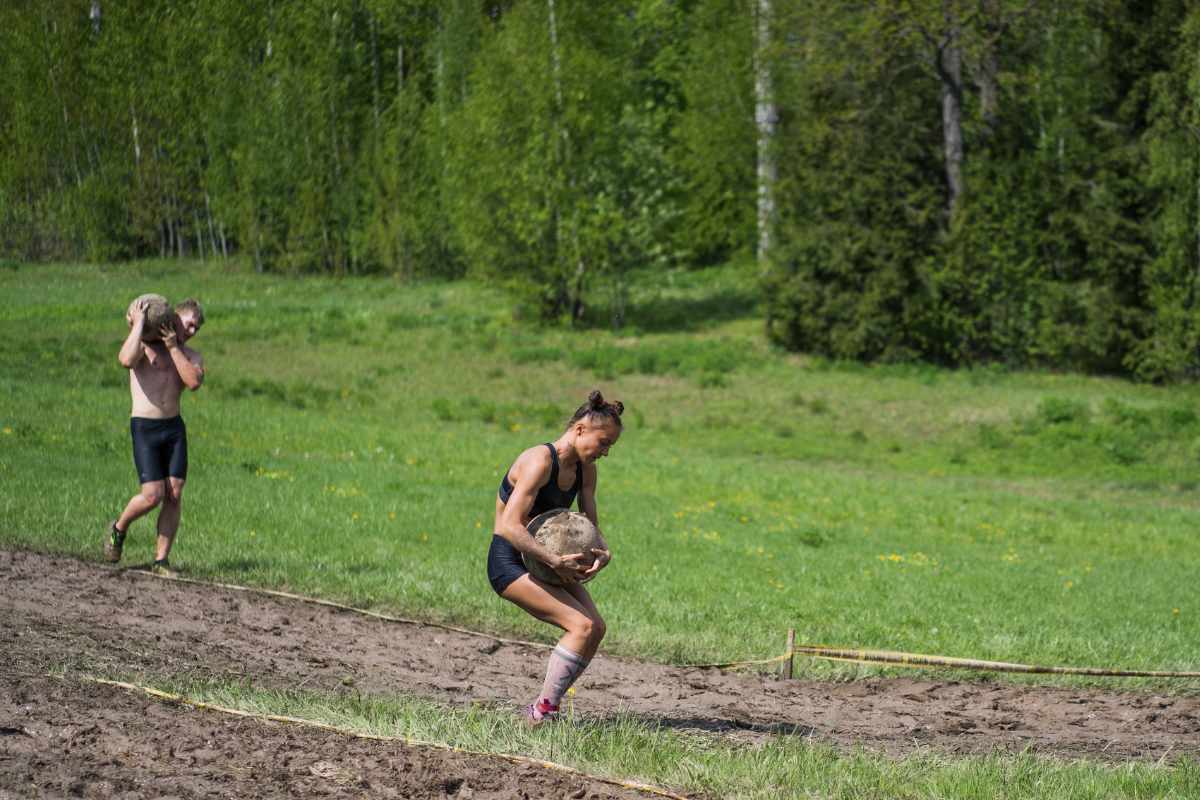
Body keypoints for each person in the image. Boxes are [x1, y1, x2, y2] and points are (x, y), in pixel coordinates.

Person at [488, 390, 622, 725]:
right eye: (603, 443)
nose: (605, 453)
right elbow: (508, 527)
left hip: (550, 565)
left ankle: (547, 706)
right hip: (510, 562)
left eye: (610, 447)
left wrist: (602, 552)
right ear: (579, 430)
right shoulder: (539, 461)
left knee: (597, 628)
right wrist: (553, 559)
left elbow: (590, 525)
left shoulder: (586, 472)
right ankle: (541, 714)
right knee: (582, 626)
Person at [104, 297, 206, 576]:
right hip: (145, 428)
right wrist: (138, 324)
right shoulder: (145, 347)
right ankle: (118, 528)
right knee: (152, 496)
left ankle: (160, 561)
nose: (192, 331)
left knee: (174, 495)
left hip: (173, 429)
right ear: (173, 318)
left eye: (197, 328)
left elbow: (193, 382)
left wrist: (174, 347)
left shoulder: (190, 356)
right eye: (189, 324)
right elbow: (125, 359)